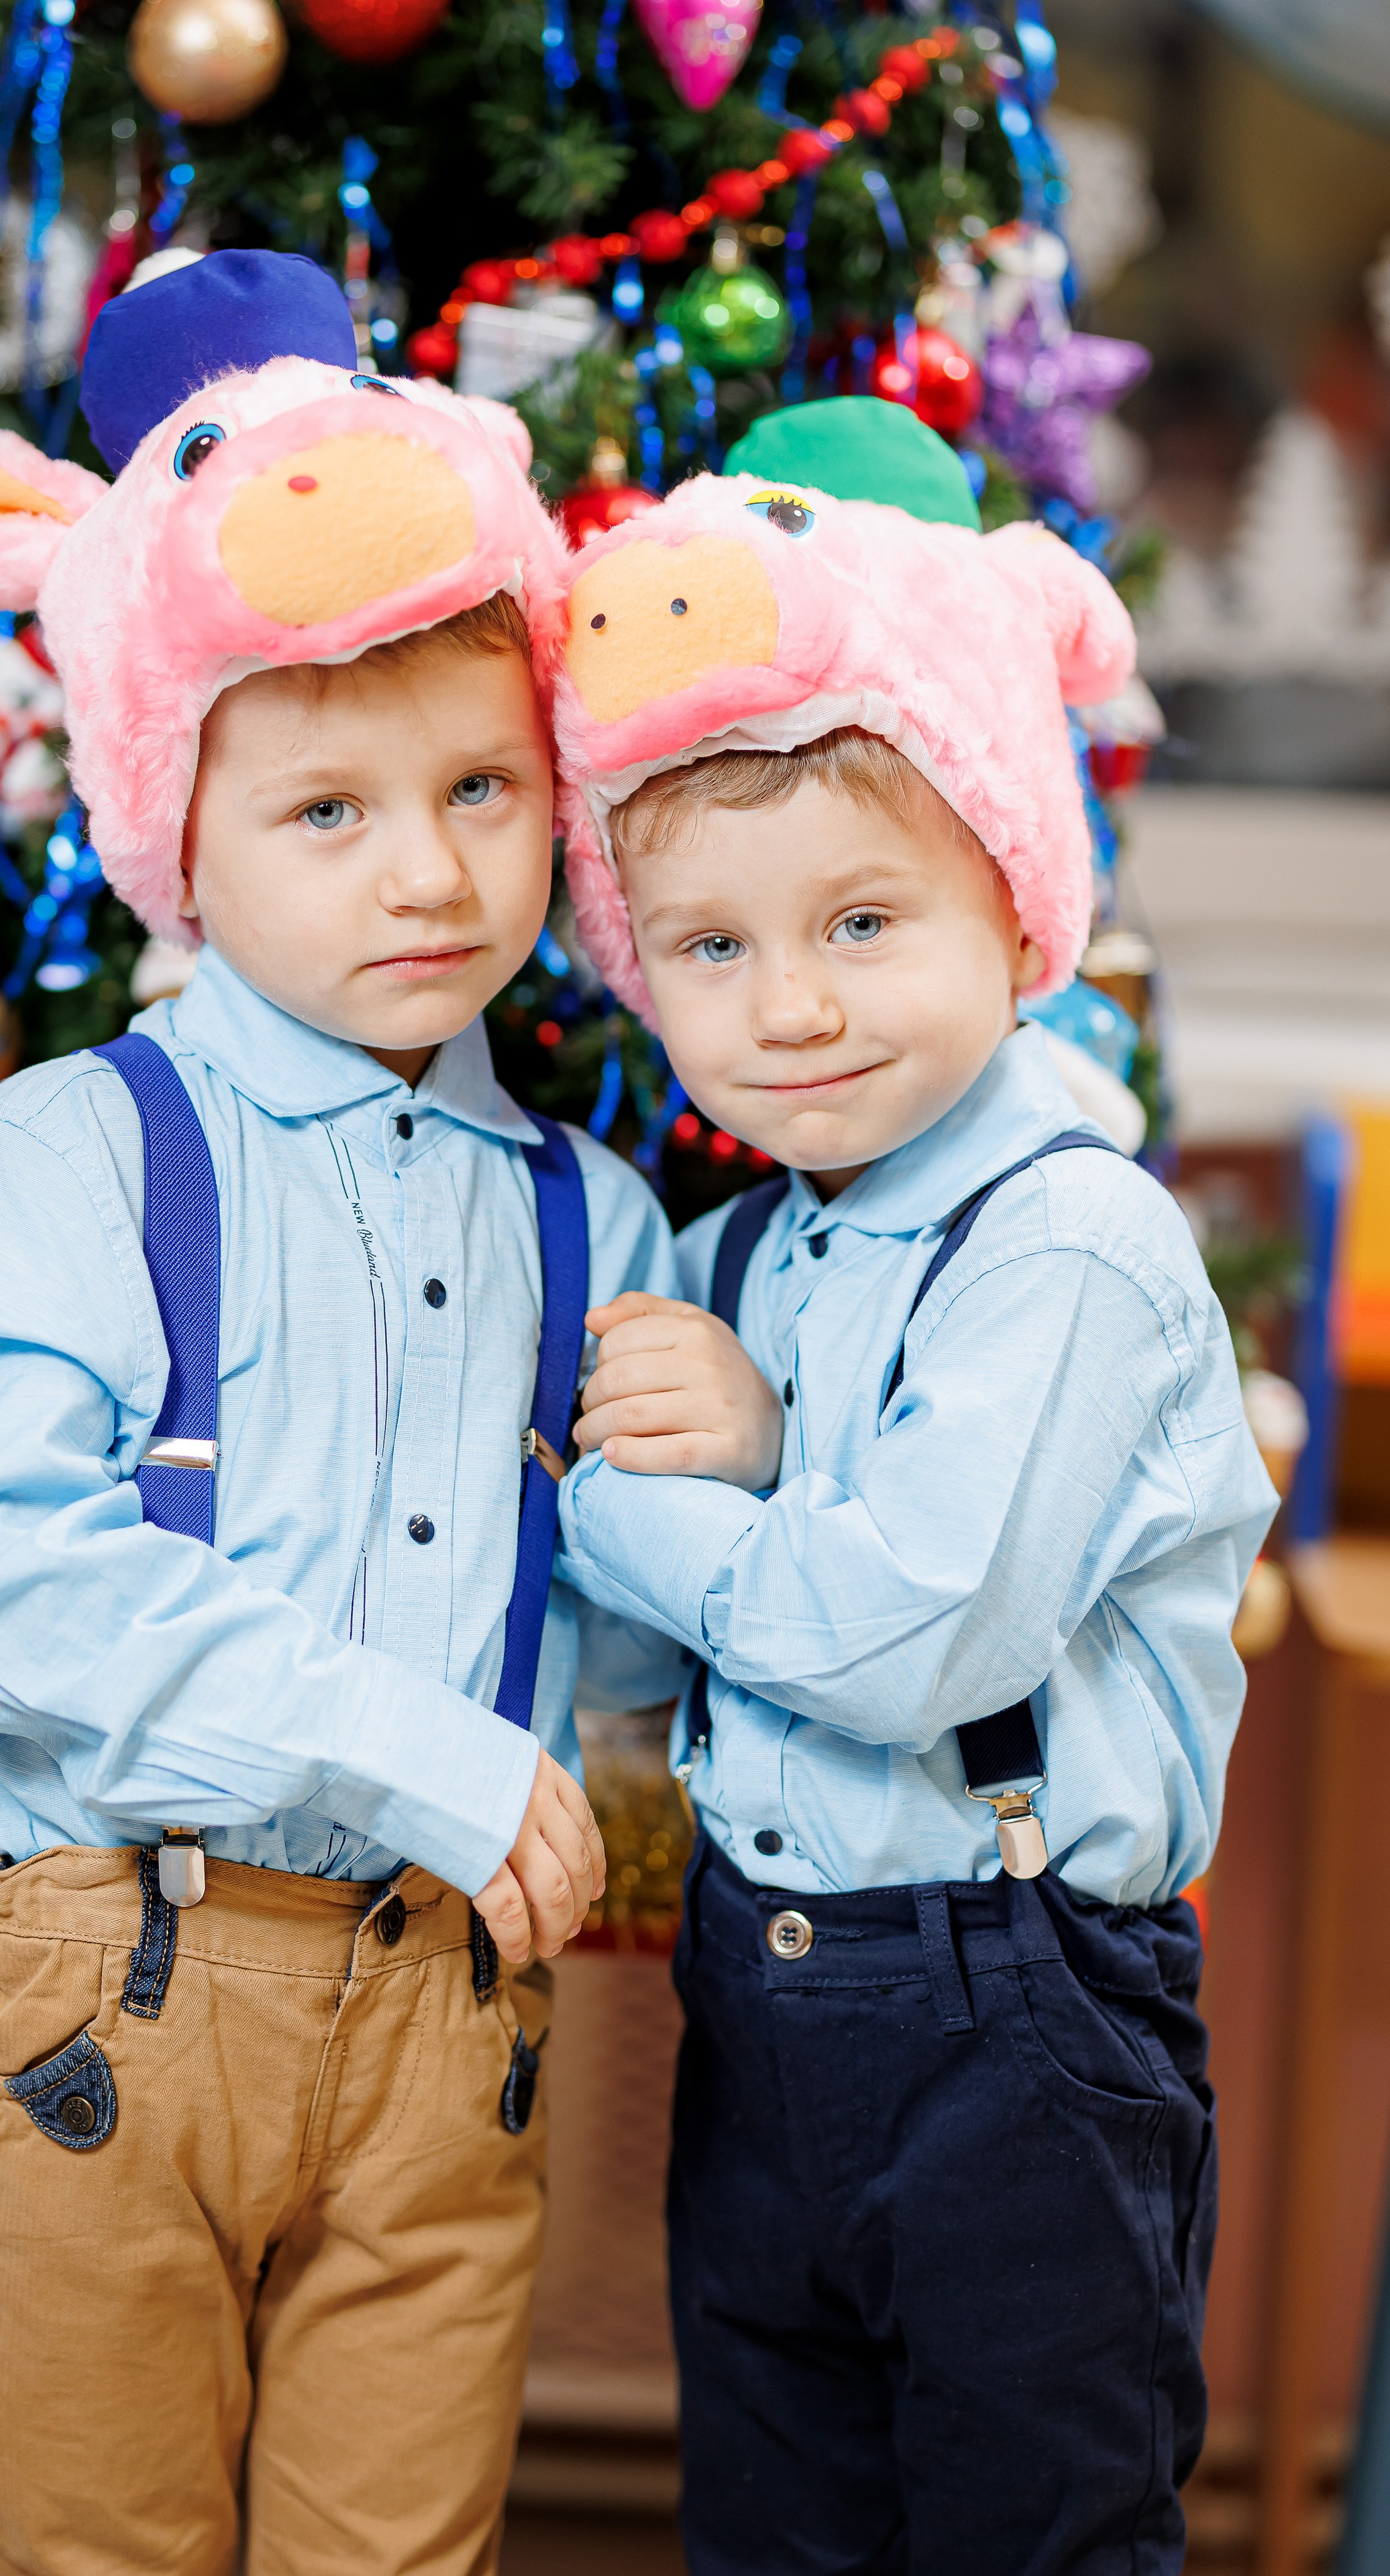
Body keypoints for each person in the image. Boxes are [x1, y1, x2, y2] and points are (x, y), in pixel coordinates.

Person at [0, 251, 681, 2576]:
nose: (429, 869)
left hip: (451, 2024)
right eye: (327, 809)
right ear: (173, 841)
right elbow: (6, 1578)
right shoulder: (68, 1158)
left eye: (485, 788)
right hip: (118, 1987)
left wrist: (727, 1450)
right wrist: (409, 1751)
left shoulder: (590, 1211)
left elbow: (621, 1641)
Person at [543, 401, 1279, 2576]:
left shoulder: (1066, 1237)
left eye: (863, 919)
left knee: (1029, 2532)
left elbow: (904, 1633)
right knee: (777, 2516)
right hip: (764, 2006)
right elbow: (615, 1667)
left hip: (1019, 2015)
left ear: (1012, 894)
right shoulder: (755, 1238)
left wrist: (626, 1494)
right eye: (709, 948)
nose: (788, 1010)